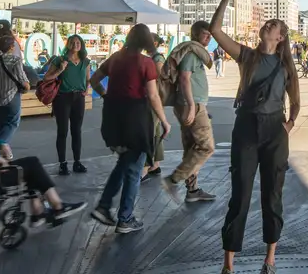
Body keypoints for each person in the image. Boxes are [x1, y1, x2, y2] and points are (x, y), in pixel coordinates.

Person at [212, 0, 300, 274]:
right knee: (240, 196)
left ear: (280, 37)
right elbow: (215, 31)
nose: (269, 24)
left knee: (271, 197)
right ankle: (228, 268)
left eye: (274, 24)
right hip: (246, 128)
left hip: (274, 131)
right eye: (269, 23)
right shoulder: (247, 56)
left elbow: (297, 103)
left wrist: (287, 127)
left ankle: (270, 261)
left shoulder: (286, 66)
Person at [0, 92, 85, 227]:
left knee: (29, 168)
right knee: (32, 164)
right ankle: (57, 206)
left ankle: (38, 213)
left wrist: (0, 144)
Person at [89, 23, 171, 234]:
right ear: (146, 41)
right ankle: (124, 217)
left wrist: (107, 95)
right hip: (136, 117)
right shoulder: (146, 63)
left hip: (113, 116)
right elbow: (153, 95)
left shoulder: (115, 58)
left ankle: (104, 206)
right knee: (134, 169)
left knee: (125, 161)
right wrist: (164, 120)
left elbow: (94, 80)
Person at [168, 20, 216, 204]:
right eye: (205, 34)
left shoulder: (193, 52)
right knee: (206, 146)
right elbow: (185, 79)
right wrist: (191, 105)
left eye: (210, 34)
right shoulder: (191, 54)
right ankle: (173, 180)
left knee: (191, 149)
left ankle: (192, 189)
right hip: (192, 104)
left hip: (193, 104)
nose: (209, 37)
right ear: (196, 35)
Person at [42, 35, 90, 176]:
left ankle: (77, 162)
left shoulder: (85, 62)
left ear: (81, 45)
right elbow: (46, 77)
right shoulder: (59, 60)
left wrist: (86, 90)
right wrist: (60, 70)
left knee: (77, 131)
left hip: (78, 98)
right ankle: (63, 164)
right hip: (63, 98)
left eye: (78, 42)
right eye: (73, 42)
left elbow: (88, 79)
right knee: (62, 131)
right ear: (68, 44)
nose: (75, 45)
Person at [0, 33, 29, 145]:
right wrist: (26, 87)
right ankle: (0, 148)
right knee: (12, 123)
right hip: (10, 97)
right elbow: (22, 79)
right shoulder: (15, 60)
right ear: (12, 47)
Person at [142, 35, 166, 181]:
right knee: (155, 132)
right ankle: (155, 165)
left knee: (148, 132)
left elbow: (158, 77)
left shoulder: (157, 59)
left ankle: (145, 168)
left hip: (153, 99)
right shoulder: (153, 58)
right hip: (153, 99)